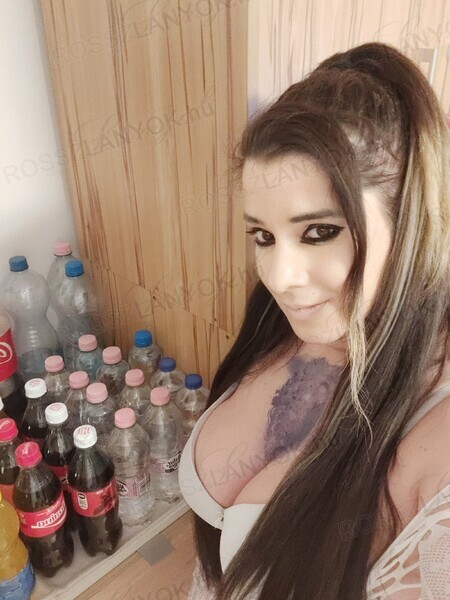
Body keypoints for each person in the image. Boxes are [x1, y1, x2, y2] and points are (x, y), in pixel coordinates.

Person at [178, 41, 450, 599]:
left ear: (411, 225)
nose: (278, 277)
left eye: (319, 232)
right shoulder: (287, 323)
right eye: (263, 235)